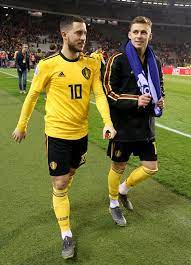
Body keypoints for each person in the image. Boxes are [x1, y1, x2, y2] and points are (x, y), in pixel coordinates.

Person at [12, 16, 116, 259]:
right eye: (78, 33)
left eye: (85, 33)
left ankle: (61, 200)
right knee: (59, 184)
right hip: (57, 135)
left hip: (81, 135)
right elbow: (32, 96)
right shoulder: (48, 65)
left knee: (69, 176)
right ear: (64, 35)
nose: (83, 38)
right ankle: (66, 233)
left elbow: (99, 95)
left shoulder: (91, 64)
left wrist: (108, 122)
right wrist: (22, 125)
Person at [103, 16, 165, 227]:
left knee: (151, 167)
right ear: (129, 34)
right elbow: (108, 93)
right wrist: (135, 100)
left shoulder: (154, 61)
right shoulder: (117, 59)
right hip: (123, 126)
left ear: (150, 35)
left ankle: (123, 189)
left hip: (146, 126)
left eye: (143, 32)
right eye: (136, 32)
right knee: (118, 165)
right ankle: (113, 202)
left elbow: (160, 86)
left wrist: (161, 99)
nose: (139, 35)